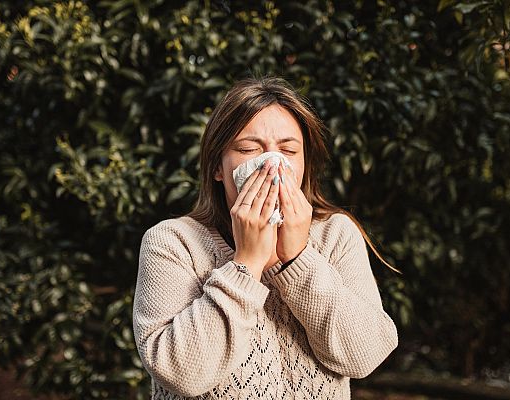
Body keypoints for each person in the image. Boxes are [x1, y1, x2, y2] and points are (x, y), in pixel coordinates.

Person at [132, 77, 399, 399]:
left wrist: (297, 259)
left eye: (288, 150)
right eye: (248, 149)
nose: (272, 165)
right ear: (218, 166)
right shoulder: (172, 242)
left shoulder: (336, 235)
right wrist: (247, 262)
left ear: (303, 165)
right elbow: (181, 374)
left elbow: (364, 357)